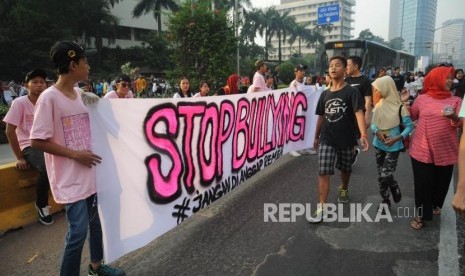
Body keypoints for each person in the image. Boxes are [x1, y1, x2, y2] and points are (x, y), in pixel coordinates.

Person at [29, 41, 125, 276]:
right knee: (78, 232)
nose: (88, 66)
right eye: (85, 62)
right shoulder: (49, 98)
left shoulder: (80, 94)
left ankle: (96, 266)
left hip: (90, 173)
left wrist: (98, 105)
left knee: (95, 223)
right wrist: (74, 154)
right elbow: (36, 141)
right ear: (73, 65)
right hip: (69, 178)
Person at [310, 56, 369, 223]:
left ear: (345, 70)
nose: (333, 68)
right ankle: (322, 206)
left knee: (346, 169)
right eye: (331, 66)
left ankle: (344, 188)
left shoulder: (352, 92)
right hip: (327, 139)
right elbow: (321, 117)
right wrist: (316, 137)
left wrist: (363, 135)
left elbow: (359, 113)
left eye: (337, 65)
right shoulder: (324, 94)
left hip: (347, 139)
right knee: (323, 171)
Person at [409, 65, 462, 230]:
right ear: (435, 79)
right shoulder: (422, 99)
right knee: (423, 184)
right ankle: (421, 215)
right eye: (446, 77)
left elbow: (461, 124)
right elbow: (413, 116)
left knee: (441, 184)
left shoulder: (456, 101)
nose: (449, 81)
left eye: (451, 77)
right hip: (421, 150)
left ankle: (434, 204)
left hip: (445, 151)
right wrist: (405, 104)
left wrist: (453, 116)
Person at [3, 69, 54, 225]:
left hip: (47, 143)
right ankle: (41, 204)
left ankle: (65, 197)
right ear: (26, 85)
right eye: (35, 82)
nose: (39, 85)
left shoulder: (47, 102)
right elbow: (10, 130)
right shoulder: (20, 103)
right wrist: (19, 157)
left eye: (42, 82)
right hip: (29, 145)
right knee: (47, 168)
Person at [370, 76, 413, 212]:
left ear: (386, 88)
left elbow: (409, 126)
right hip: (379, 144)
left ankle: (393, 185)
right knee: (380, 175)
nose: (376, 92)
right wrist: (376, 131)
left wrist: (398, 138)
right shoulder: (379, 106)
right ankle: (385, 201)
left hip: (393, 147)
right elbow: (373, 124)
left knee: (385, 174)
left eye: (378, 89)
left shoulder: (400, 108)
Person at [345, 56, 372, 166]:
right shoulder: (346, 80)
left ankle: (351, 154)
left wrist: (366, 117)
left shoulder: (365, 80)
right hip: (346, 115)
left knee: (351, 138)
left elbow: (368, 100)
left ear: (356, 66)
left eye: (347, 65)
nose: (346, 67)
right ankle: (352, 153)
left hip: (358, 115)